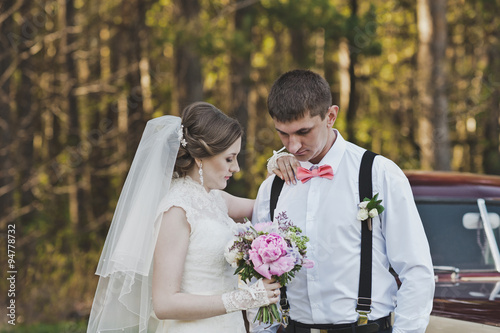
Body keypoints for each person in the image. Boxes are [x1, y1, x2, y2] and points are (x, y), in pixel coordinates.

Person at [250, 69, 435, 333]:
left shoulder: (378, 174)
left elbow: (416, 270)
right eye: (283, 134)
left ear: (331, 116)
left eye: (303, 131)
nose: (292, 146)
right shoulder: (273, 187)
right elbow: (260, 276)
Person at [87, 102, 281, 333]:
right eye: (229, 159)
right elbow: (165, 303)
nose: (236, 168)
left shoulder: (216, 198)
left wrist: (277, 168)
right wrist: (244, 298)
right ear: (201, 157)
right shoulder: (176, 209)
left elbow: (271, 206)